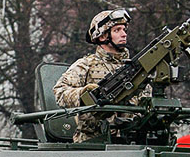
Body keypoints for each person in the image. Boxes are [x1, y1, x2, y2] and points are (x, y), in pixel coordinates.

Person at [53, 9, 144, 143]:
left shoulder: (134, 69)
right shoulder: (86, 65)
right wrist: (84, 93)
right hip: (92, 143)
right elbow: (60, 92)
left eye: (124, 29)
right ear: (102, 36)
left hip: (130, 142)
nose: (124, 34)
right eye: (117, 30)